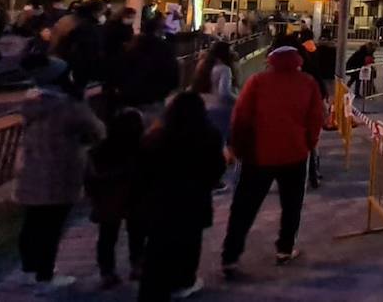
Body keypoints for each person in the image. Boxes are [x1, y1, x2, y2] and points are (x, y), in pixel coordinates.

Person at [221, 46, 324, 278]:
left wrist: (236, 146)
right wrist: (309, 143)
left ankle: (230, 256)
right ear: (298, 62)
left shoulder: (257, 82)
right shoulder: (307, 83)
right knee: (291, 205)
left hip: (258, 155)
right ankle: (285, 249)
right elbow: (315, 118)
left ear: (270, 61)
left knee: (244, 207)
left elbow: (241, 116)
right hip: (295, 154)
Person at [14, 55, 106, 291]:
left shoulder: (31, 103)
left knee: (33, 222)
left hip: (32, 169)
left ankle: (28, 269)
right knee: (52, 226)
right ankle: (45, 275)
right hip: (60, 171)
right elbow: (98, 131)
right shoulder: (69, 107)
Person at [136, 92, 226, 300]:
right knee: (190, 242)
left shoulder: (156, 136)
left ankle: (152, 289)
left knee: (157, 245)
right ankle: (184, 281)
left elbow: (142, 169)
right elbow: (216, 168)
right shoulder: (208, 134)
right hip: (194, 199)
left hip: (160, 200)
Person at [85, 108, 145, 289]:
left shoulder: (100, 151)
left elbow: (90, 178)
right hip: (134, 197)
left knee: (107, 236)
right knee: (137, 232)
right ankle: (137, 264)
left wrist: (94, 196)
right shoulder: (140, 148)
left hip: (108, 201)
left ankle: (107, 271)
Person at [193, 41, 238, 190]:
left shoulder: (204, 67)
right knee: (219, 144)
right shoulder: (224, 69)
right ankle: (215, 179)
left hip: (205, 107)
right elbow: (224, 93)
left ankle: (202, 175)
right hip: (221, 110)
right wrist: (238, 99)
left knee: (207, 144)